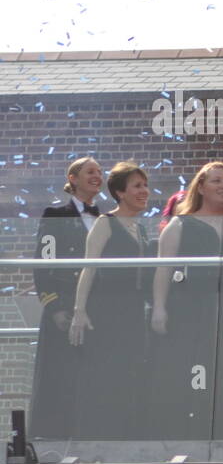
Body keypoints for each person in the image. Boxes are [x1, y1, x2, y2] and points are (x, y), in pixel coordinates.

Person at [149, 161, 223, 439]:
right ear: (200, 187)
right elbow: (163, 270)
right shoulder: (180, 224)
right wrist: (159, 307)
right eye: (217, 181)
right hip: (189, 311)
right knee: (191, 372)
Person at [68, 162, 153, 440]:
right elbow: (88, 268)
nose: (145, 191)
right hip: (107, 312)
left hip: (133, 313)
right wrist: (79, 311)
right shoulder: (106, 223)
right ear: (120, 192)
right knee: (106, 376)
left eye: (145, 185)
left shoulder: (140, 229)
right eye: (137, 186)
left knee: (132, 374)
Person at [30, 157, 103, 438]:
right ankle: (53, 438)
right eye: (90, 172)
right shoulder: (55, 215)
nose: (98, 176)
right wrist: (56, 307)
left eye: (99, 171)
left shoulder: (105, 218)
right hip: (66, 309)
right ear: (73, 178)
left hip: (97, 309)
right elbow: (43, 263)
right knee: (60, 376)